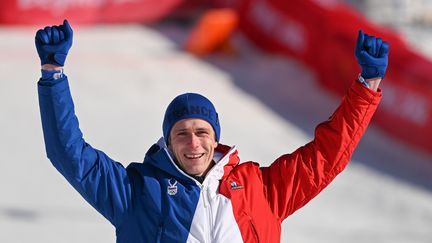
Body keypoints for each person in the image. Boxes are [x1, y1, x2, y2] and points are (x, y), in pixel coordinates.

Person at [36, 20, 388, 243]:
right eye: (182, 134)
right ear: (168, 143)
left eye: (202, 132)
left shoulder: (260, 190)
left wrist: (367, 85)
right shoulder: (137, 192)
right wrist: (53, 74)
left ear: (216, 138)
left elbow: (325, 158)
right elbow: (70, 154)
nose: (193, 143)